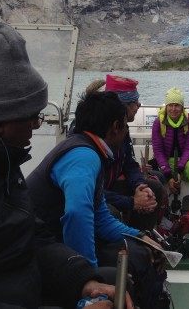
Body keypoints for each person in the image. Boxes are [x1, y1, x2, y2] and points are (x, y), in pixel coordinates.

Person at [0, 21, 131, 309]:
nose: (37, 125)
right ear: (0, 120)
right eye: (31, 116)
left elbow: (29, 233)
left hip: (22, 290)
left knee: (115, 284)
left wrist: (82, 281)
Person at [26, 90, 164, 308]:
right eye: (125, 127)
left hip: (55, 241)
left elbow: (100, 217)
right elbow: (77, 215)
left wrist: (140, 236)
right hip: (42, 248)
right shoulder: (84, 156)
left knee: (140, 251)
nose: (126, 133)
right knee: (131, 268)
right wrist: (88, 279)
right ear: (115, 127)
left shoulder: (89, 150)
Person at [102, 74, 164, 231]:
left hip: (109, 187)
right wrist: (132, 202)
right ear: (122, 106)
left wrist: (140, 187)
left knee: (153, 189)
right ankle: (129, 242)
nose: (138, 107)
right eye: (135, 103)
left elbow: (129, 164)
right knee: (111, 212)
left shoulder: (122, 129)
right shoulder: (95, 133)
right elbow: (89, 192)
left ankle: (141, 238)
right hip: (95, 193)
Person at [152, 86, 189, 218]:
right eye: (170, 105)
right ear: (166, 106)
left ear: (182, 107)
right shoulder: (159, 122)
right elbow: (158, 151)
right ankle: (161, 209)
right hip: (166, 161)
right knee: (154, 174)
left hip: (186, 160)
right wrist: (169, 177)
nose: (173, 109)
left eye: (177, 105)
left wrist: (180, 171)